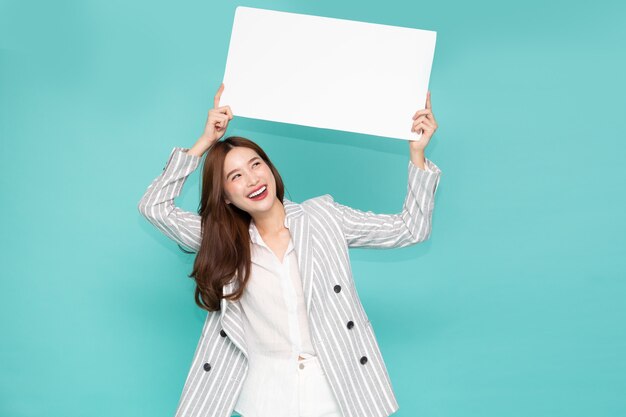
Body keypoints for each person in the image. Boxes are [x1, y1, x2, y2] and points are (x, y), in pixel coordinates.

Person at [137, 83, 442, 417]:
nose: (252, 180)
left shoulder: (323, 217)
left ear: (270, 168)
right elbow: (154, 207)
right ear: (224, 195)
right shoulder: (220, 239)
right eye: (235, 176)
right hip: (264, 395)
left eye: (256, 165)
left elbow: (411, 228)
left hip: (334, 389)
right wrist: (205, 142)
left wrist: (417, 154)